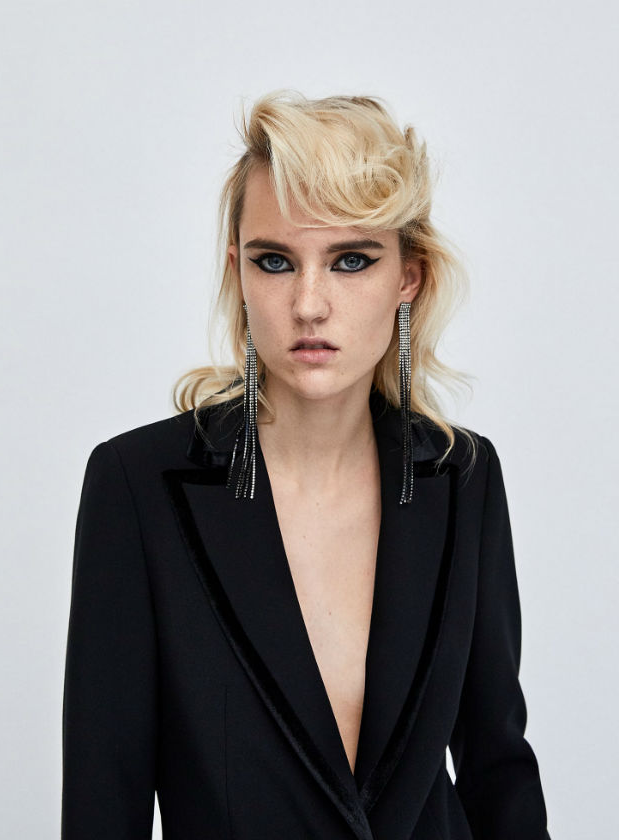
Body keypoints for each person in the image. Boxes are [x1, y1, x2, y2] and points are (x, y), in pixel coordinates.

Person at [61, 90, 552, 839]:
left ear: (409, 277)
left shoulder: (463, 477)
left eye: (352, 260)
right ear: (239, 272)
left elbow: (498, 767)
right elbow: (104, 798)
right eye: (275, 262)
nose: (309, 304)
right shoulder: (137, 485)